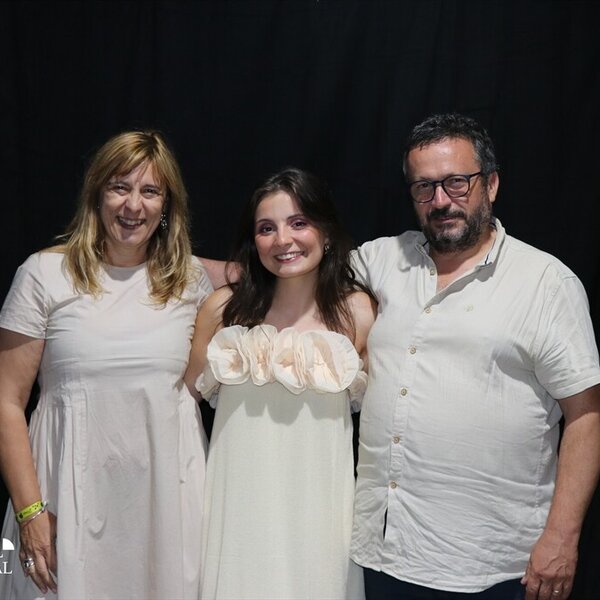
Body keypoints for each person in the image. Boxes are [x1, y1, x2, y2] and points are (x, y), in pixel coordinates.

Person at [349, 113, 600, 599]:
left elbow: (587, 416)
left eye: (457, 182)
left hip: (491, 567)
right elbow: (287, 271)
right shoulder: (383, 260)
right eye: (424, 187)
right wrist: (190, 270)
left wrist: (562, 538)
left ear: (492, 184)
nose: (441, 200)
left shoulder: (546, 283)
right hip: (380, 555)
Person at [0, 130, 212, 599]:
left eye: (150, 191)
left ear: (167, 206)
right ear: (96, 194)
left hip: (166, 508)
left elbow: (263, 270)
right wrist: (30, 512)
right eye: (120, 187)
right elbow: (6, 402)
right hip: (61, 503)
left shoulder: (190, 280)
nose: (133, 205)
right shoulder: (43, 274)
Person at [185, 167, 377, 599]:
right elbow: (182, 408)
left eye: (298, 222)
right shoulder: (222, 312)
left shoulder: (359, 313)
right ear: (253, 242)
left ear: (325, 231)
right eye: (266, 228)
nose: (283, 240)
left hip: (320, 523)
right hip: (237, 519)